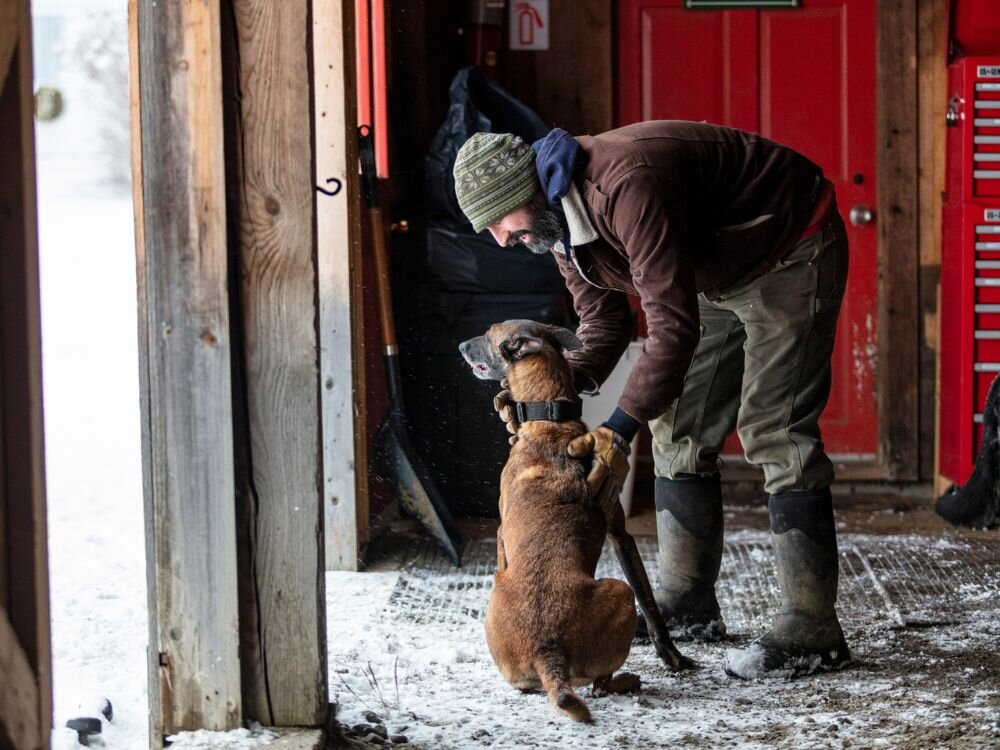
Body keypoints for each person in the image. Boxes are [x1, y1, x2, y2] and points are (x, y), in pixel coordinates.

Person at [451, 121, 850, 680]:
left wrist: (616, 428)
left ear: (525, 191)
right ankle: (687, 604)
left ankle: (812, 628)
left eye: (498, 220)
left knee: (773, 427)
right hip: (712, 267)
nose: (500, 238)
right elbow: (603, 320)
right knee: (679, 426)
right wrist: (553, 398)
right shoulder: (556, 225)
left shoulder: (624, 186)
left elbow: (672, 328)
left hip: (788, 245)